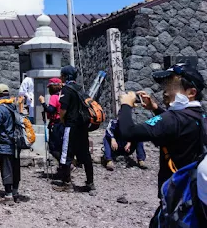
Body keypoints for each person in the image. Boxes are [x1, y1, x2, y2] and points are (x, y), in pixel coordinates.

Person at [117, 63, 206, 226]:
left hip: (174, 198)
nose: (165, 90)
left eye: (171, 85)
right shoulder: (199, 117)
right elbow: (175, 128)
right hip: (194, 197)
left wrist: (125, 105)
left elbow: (127, 132)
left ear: (191, 92)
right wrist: (156, 108)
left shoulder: (172, 119)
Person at [53, 65, 95, 193]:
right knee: (85, 155)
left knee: (66, 154)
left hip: (71, 126)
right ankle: (90, 183)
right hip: (83, 126)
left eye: (62, 75)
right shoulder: (80, 89)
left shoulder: (67, 89)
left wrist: (61, 119)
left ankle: (67, 183)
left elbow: (63, 108)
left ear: (65, 76)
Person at [0, 83, 23, 204]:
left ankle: (8, 196)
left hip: (5, 143)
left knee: (6, 167)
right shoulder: (13, 106)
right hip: (16, 142)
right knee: (15, 167)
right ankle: (15, 193)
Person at [39, 78, 64, 161]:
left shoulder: (54, 97)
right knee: (61, 146)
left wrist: (43, 102)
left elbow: (50, 109)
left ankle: (66, 165)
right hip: (63, 123)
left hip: (55, 124)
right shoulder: (63, 95)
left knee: (53, 148)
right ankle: (64, 167)